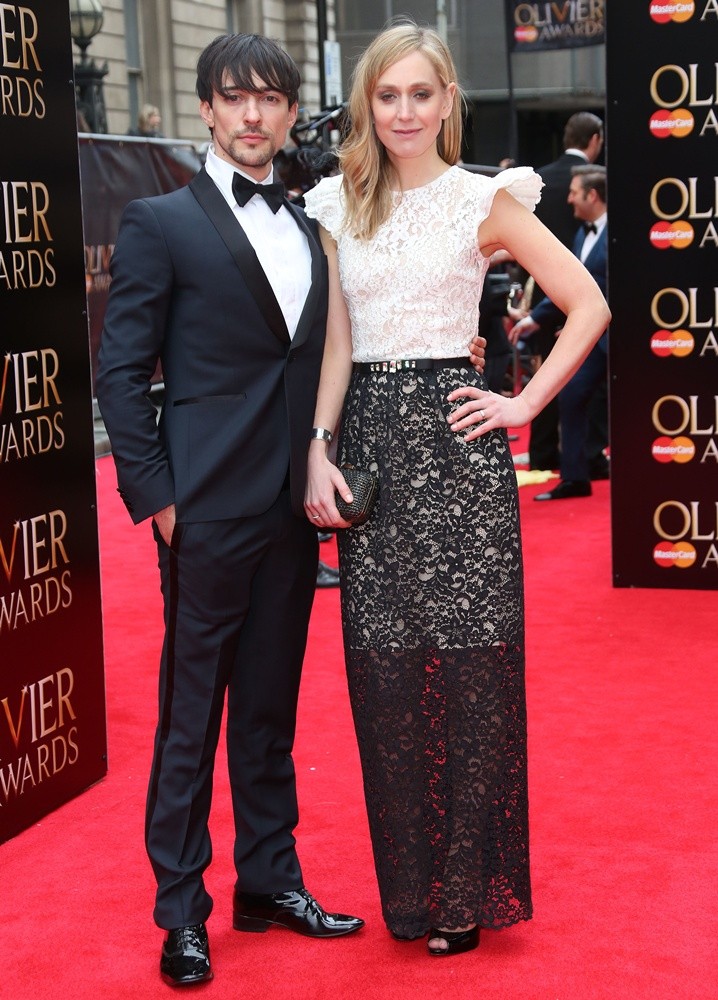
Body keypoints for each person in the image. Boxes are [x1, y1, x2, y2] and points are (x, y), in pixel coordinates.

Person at [302, 20, 610, 958]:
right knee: (384, 674)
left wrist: (522, 409)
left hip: (459, 444)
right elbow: (339, 346)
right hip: (371, 451)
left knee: (474, 672)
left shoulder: (490, 199)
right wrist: (319, 445)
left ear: (447, 103)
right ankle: (410, 889)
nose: (403, 112)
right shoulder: (335, 203)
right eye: (386, 96)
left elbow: (589, 302)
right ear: (368, 103)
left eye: (420, 95)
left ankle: (466, 891)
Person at [96, 33, 368, 988]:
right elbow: (122, 376)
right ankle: (182, 913)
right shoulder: (159, 221)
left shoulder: (310, 224)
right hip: (204, 512)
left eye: (271, 98)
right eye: (234, 97)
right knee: (188, 720)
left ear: (292, 112)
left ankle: (268, 880)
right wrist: (162, 503)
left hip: (295, 514)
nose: (254, 113)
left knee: (267, 711)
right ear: (206, 111)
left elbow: (326, 355)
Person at [510, 165, 609, 500]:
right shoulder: (583, 234)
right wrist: (537, 318)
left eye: (574, 192)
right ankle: (576, 477)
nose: (568, 199)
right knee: (571, 395)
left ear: (592, 195)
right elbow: (573, 288)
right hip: (594, 341)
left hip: (618, 339)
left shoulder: (618, 233)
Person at [524, 110, 604, 471]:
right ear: (595, 139)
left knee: (550, 374)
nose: (571, 201)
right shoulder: (594, 188)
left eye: (576, 195)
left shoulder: (539, 180)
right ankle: (587, 455)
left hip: (548, 294)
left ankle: (549, 455)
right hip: (571, 302)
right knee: (576, 387)